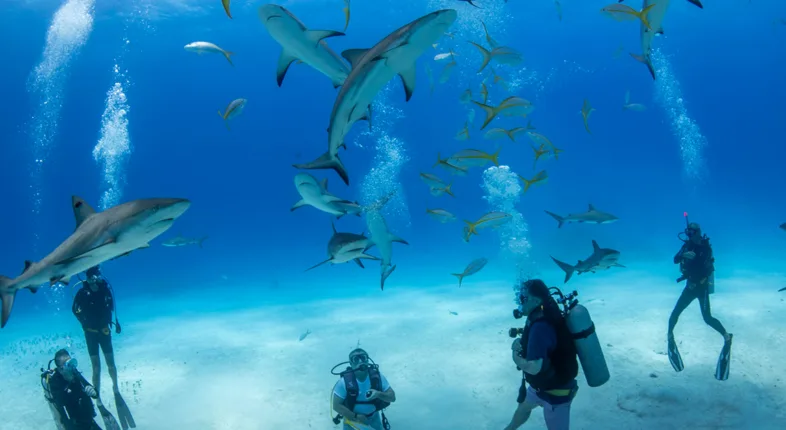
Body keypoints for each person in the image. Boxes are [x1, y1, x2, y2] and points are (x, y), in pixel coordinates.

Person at [505, 279, 579, 430]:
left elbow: (533, 368)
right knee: (524, 408)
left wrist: (514, 353)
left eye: (522, 298)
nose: (519, 302)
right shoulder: (543, 311)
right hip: (541, 384)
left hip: (557, 393)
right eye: (519, 296)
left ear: (536, 300)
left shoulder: (540, 326)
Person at [668, 221, 733, 380]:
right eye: (688, 233)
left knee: (707, 318)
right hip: (689, 287)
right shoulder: (686, 246)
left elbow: (709, 269)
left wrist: (700, 281)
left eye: (692, 233)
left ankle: (726, 336)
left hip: (701, 289)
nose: (690, 236)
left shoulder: (705, 248)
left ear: (697, 233)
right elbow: (675, 260)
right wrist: (683, 254)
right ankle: (669, 336)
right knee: (674, 314)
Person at [72, 265, 121, 402]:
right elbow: (74, 310)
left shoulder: (105, 290)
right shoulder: (82, 293)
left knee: (111, 364)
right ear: (87, 278)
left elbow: (111, 308)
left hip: (105, 332)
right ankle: (97, 395)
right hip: (90, 334)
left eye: (97, 275)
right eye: (92, 276)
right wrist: (84, 323)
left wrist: (115, 323)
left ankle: (115, 388)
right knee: (96, 367)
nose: (95, 279)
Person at [331, 348, 396, 430]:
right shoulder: (343, 382)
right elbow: (336, 406)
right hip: (351, 419)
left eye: (363, 357)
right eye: (356, 359)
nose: (360, 361)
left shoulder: (377, 377)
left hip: (373, 416)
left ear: (367, 360)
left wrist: (379, 394)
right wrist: (355, 416)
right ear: (351, 364)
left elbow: (392, 398)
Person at [44, 349, 102, 430]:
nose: (71, 368)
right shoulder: (55, 383)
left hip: (88, 420)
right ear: (60, 369)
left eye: (71, 363)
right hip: (75, 425)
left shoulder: (75, 373)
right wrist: (69, 383)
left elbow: (94, 392)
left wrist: (93, 392)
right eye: (67, 365)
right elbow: (63, 412)